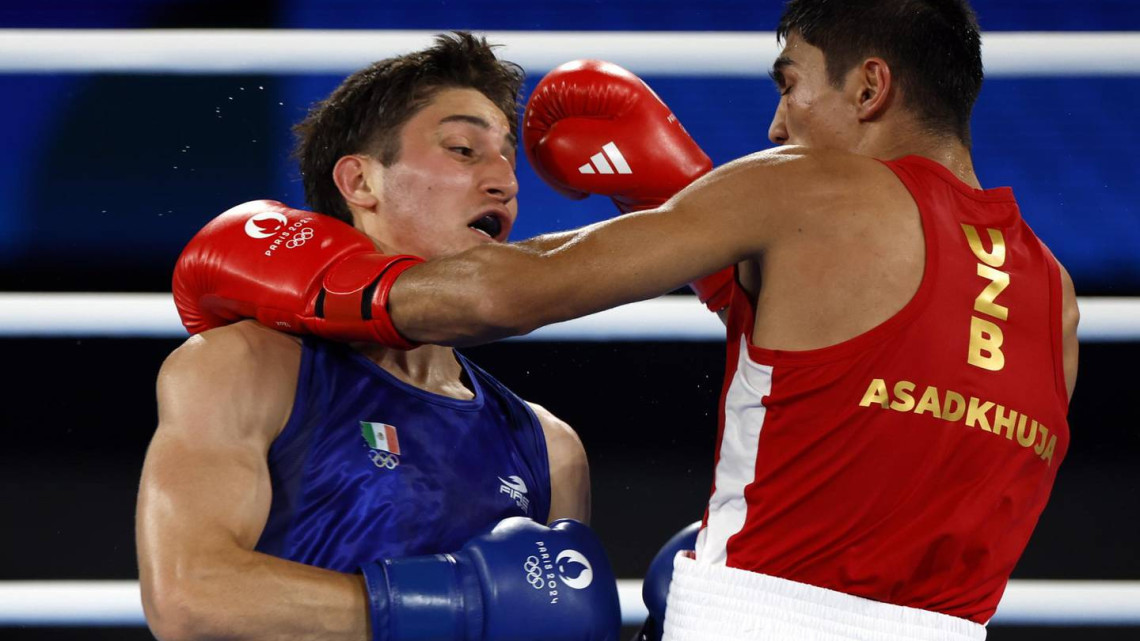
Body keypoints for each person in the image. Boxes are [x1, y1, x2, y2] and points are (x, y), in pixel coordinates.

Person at [174, 1, 1079, 639]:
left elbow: (509, 292)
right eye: (461, 149)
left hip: (753, 617)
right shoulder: (1054, 292)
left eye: (792, 83)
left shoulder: (807, 187)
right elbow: (873, 390)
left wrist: (336, 283)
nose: (775, 124)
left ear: (871, 86)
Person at [135, 33, 622, 641]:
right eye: (464, 149)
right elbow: (191, 596)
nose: (504, 181)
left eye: (508, 160)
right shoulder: (246, 367)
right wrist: (461, 605)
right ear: (361, 182)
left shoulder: (550, 447)